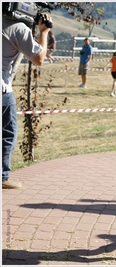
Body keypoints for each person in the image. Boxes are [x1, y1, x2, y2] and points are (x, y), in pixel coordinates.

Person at [2, 6, 52, 189]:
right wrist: (44, 32)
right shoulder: (19, 29)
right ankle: (2, 176)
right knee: (7, 133)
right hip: (2, 89)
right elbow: (39, 58)